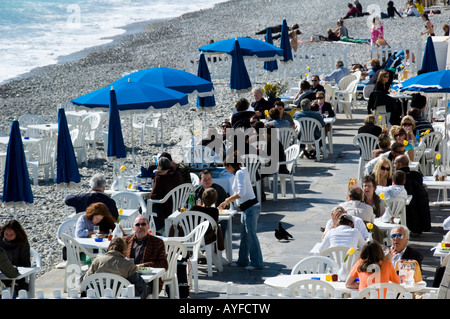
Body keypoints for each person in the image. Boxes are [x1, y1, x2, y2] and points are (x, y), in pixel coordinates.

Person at [218, 152, 263, 270]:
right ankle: (242, 260)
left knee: (251, 235)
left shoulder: (239, 174)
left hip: (251, 208)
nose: (226, 170)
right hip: (247, 208)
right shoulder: (240, 172)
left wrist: (227, 200)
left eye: (226, 167)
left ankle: (257, 262)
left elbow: (241, 193)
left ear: (230, 166)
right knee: (245, 235)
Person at [82, 237, 148, 299]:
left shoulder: (97, 261)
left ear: (109, 248)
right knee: (145, 288)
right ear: (124, 250)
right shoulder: (128, 264)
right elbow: (139, 286)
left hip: (98, 295)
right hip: (119, 296)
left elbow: (85, 280)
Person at [124, 215, 168, 293]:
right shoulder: (125, 241)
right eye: (137, 225)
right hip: (127, 279)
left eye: (143, 224)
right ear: (133, 227)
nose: (140, 226)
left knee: (135, 292)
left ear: (148, 227)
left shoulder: (157, 242)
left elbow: (164, 264)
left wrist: (145, 265)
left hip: (149, 281)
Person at [393, 154, 431, 235]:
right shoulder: (417, 175)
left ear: (400, 165)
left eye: (395, 163)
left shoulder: (397, 177)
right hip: (419, 216)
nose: (393, 165)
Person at [149, 156, 183, 231]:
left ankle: (156, 228)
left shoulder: (159, 176)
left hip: (165, 206)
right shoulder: (177, 174)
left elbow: (153, 196)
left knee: (146, 204)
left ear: (159, 166)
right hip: (178, 205)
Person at [0, 220, 31, 292]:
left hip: (17, 273)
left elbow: (26, 262)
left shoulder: (22, 242)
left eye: (11, 234)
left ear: (17, 234)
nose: (8, 236)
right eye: (6, 234)